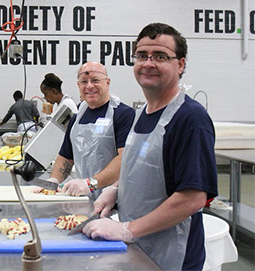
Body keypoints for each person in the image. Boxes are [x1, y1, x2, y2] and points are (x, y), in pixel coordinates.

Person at [82, 23, 218, 271]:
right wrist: (117, 191)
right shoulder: (141, 114)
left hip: (172, 254)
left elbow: (193, 198)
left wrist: (127, 229)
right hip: (140, 247)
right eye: (142, 56)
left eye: (161, 56)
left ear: (181, 65)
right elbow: (147, 173)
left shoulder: (190, 119)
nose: (148, 63)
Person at [36, 62, 135, 198]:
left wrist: (91, 183)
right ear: (78, 85)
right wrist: (54, 180)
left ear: (107, 82)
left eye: (95, 80)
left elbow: (125, 158)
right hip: (83, 199)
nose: (89, 86)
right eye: (84, 81)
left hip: (116, 200)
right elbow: (66, 157)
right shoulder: (76, 118)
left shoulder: (124, 115)